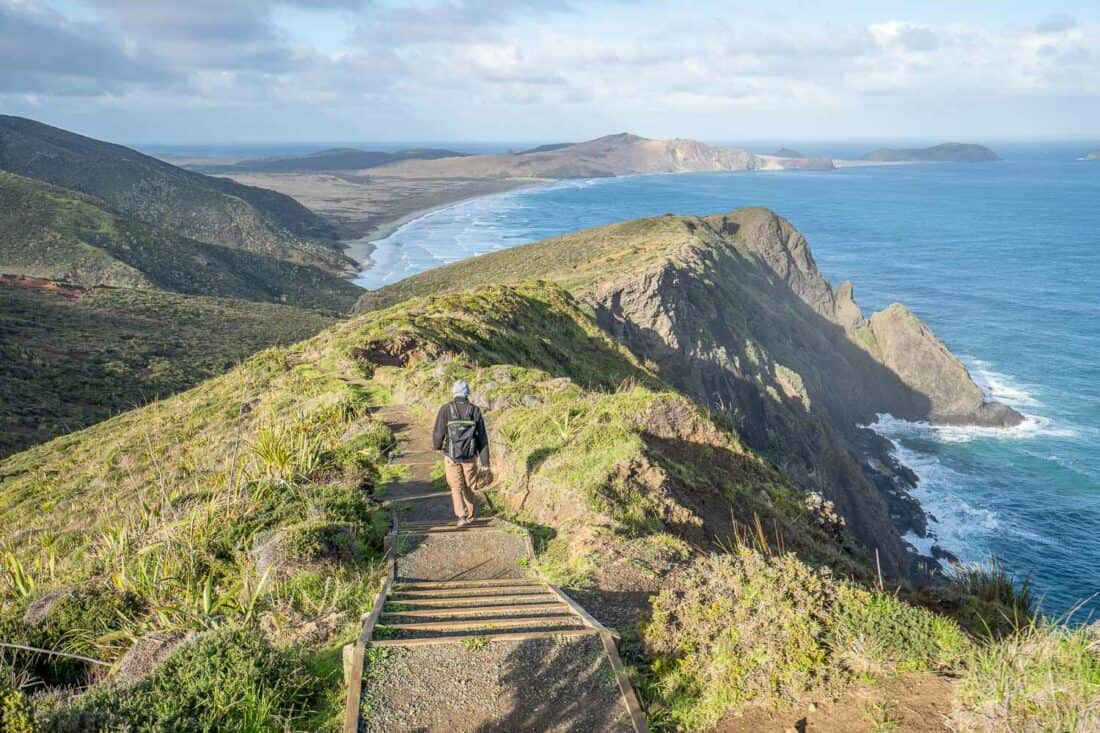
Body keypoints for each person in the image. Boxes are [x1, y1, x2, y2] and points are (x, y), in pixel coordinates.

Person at [432, 379, 490, 527]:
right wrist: (485, 463)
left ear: (454, 392)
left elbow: (438, 432)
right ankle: (470, 515)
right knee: (470, 486)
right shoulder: (475, 410)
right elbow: (482, 438)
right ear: (467, 393)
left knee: (456, 487)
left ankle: (461, 516)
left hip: (451, 456)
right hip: (470, 457)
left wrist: (437, 446)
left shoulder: (446, 409)